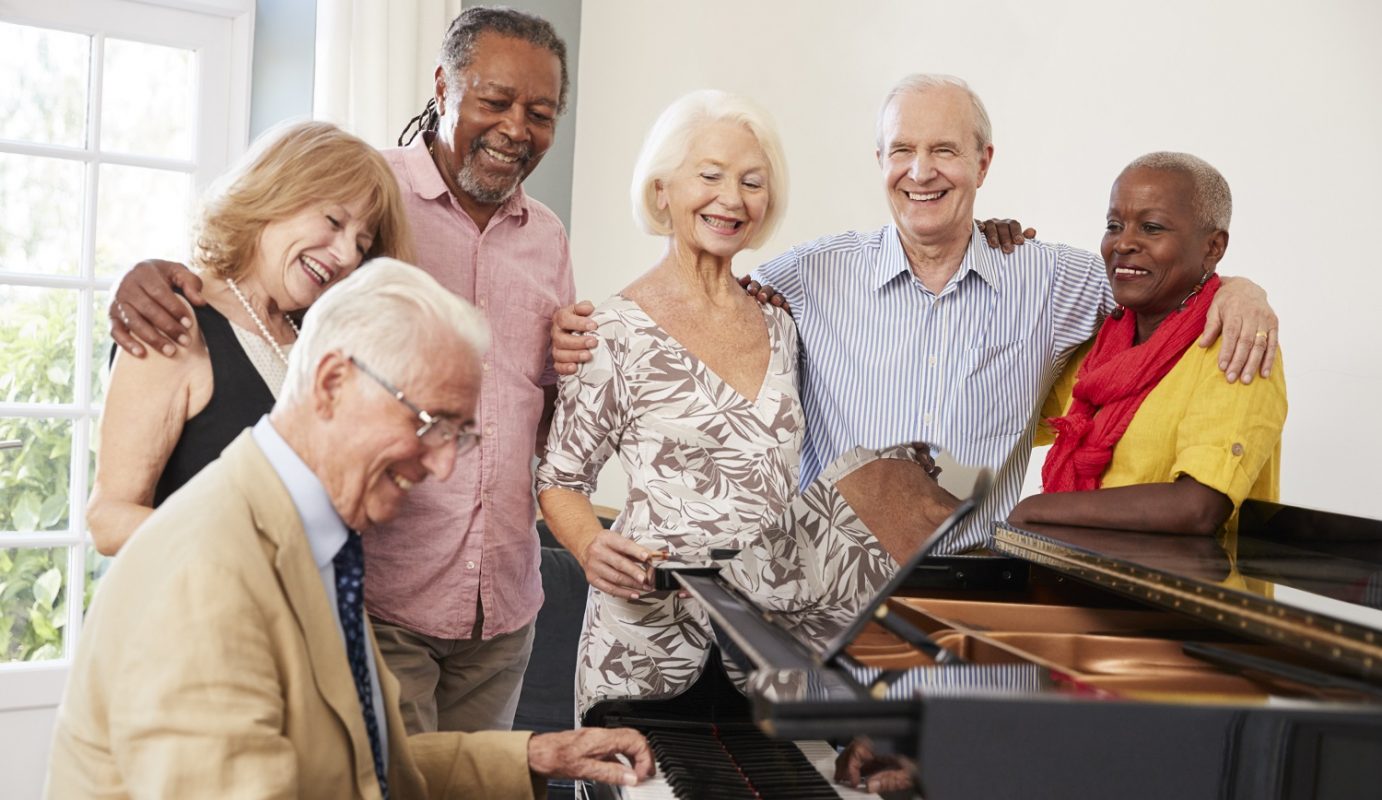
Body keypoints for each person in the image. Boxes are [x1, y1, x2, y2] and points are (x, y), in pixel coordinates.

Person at [552, 73, 1280, 555]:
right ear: (879, 160)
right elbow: (701, 296)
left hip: (979, 609)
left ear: (983, 162)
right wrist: (585, 331)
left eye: (944, 150)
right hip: (826, 610)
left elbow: (1158, 287)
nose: (921, 170)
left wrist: (1243, 289)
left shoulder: (1053, 279)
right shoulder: (805, 277)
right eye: (902, 149)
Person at [105, 6, 573, 735]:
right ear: (444, 86)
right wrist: (143, 275)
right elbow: (246, 258)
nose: (349, 251)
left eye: (540, 113)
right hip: (376, 599)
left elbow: (539, 401)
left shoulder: (546, 238)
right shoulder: (368, 187)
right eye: (496, 101)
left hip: (502, 601)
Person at [47, 259, 653, 799]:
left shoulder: (320, 544)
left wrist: (534, 756)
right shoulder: (205, 571)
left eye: (459, 434)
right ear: (334, 382)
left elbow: (361, 771)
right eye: (429, 422)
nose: (444, 464)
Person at [534, 91, 956, 719]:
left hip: (769, 647)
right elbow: (562, 480)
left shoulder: (782, 324)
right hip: (644, 643)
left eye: (752, 182)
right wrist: (591, 548)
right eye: (709, 175)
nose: (732, 198)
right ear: (662, 191)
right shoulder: (608, 331)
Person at [86, 120, 411, 556]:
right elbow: (108, 520)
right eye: (334, 221)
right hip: (199, 616)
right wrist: (244, 540)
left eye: (361, 244)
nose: (345, 255)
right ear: (276, 193)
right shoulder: (176, 321)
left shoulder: (313, 345)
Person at [1008, 153, 1286, 532]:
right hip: (1078, 584)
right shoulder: (1098, 348)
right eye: (1114, 225)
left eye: (1152, 228)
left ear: (1213, 247)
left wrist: (1036, 510)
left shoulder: (1237, 344)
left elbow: (1198, 506)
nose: (1124, 243)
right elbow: (1001, 418)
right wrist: (997, 260)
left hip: (1181, 590)